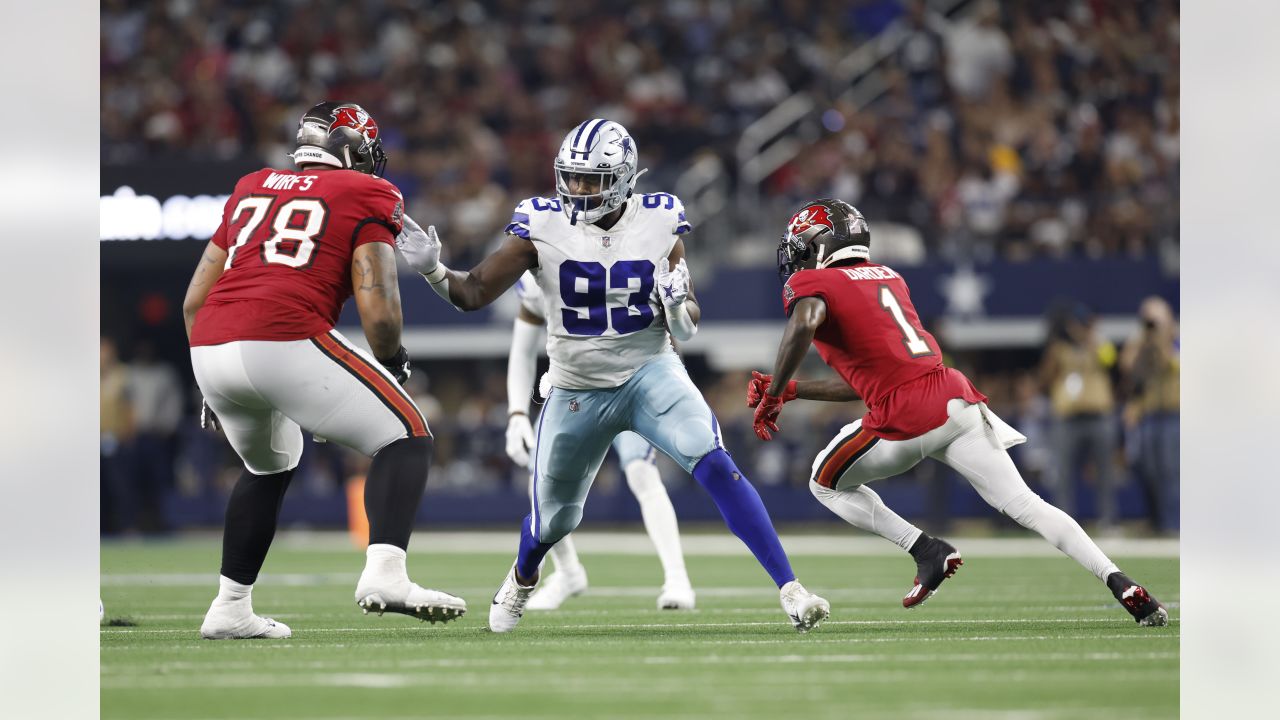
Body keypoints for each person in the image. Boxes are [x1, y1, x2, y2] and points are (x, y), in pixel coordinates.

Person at [396, 118, 829, 633]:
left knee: (713, 461)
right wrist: (433, 271)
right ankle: (522, 575)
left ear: (624, 177)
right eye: (572, 178)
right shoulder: (541, 224)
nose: (578, 190)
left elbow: (688, 326)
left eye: (591, 179)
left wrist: (675, 307)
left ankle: (790, 589)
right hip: (576, 383)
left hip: (649, 368)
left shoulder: (661, 218)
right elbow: (472, 294)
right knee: (556, 519)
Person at [748, 198, 1167, 626]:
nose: (796, 255)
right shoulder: (888, 277)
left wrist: (772, 392)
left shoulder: (815, 285)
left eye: (801, 245)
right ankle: (1120, 582)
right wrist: (793, 391)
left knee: (824, 481)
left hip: (905, 415)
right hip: (953, 396)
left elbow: (804, 323)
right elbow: (868, 379)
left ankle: (925, 549)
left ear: (821, 243)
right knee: (1028, 504)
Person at [182, 101, 465, 640]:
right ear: (352, 151)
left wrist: (207, 379)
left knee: (270, 466)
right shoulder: (368, 192)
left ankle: (230, 608)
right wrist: (392, 360)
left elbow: (195, 298)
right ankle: (386, 575)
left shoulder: (251, 185)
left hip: (211, 346)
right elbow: (377, 306)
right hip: (283, 333)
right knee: (407, 434)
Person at [507, 271, 695, 610]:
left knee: (641, 471)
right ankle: (568, 571)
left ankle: (677, 577)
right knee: (540, 479)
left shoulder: (622, 249)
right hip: (576, 391)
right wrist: (516, 413)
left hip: (630, 382)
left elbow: (665, 330)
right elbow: (523, 346)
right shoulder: (541, 261)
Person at [1038, 302, 1121, 529]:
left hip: (1098, 415)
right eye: (1077, 324)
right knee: (1063, 473)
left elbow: (1112, 362)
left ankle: (1108, 520)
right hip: (1067, 418)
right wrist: (1054, 350)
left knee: (1104, 471)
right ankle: (1063, 524)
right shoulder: (1059, 348)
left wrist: (1092, 340)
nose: (1080, 329)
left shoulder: (1100, 343)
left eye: (1084, 324)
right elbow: (1045, 379)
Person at [1119, 296, 1179, 533]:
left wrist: (1162, 337)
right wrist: (1145, 339)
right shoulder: (1141, 343)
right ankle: (1158, 522)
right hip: (1150, 414)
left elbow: (1170, 364)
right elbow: (1127, 366)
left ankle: (1174, 525)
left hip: (1176, 414)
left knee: (1172, 471)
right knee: (1150, 470)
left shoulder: (1177, 338)